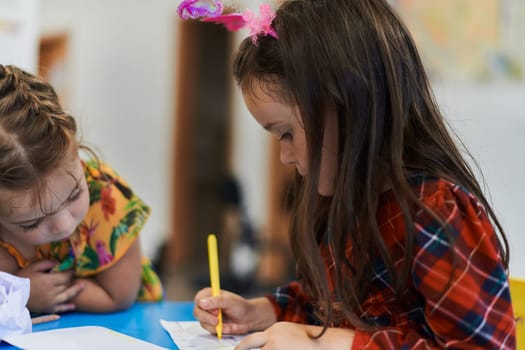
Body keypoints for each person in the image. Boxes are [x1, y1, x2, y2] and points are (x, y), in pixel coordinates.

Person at [190, 0, 516, 348]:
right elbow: (328, 305)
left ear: (347, 105)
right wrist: (263, 312)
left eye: (286, 133)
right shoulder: (345, 202)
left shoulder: (436, 212)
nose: (285, 156)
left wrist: (331, 344)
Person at [0, 64, 163, 314]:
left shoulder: (107, 198)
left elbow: (119, 296)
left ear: (76, 150)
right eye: (32, 223)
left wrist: (30, 294)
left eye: (75, 194)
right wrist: (21, 297)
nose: (64, 225)